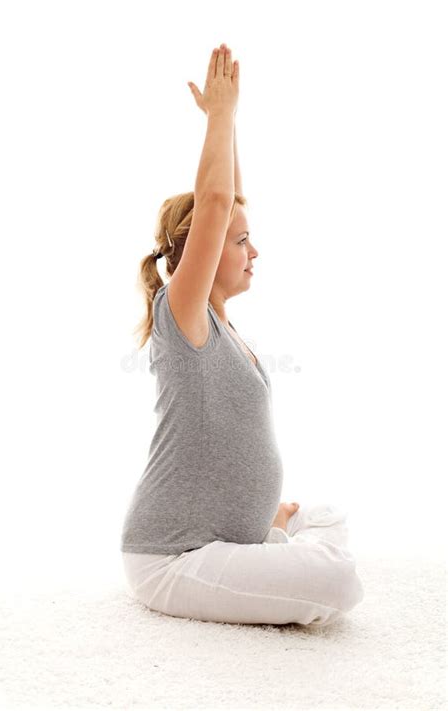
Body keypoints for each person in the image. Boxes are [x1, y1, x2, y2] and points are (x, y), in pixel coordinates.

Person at [120, 42, 364, 627]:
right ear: (196, 255)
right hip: (173, 557)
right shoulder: (181, 314)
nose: (253, 251)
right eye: (239, 243)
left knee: (326, 514)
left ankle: (269, 540)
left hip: (225, 542)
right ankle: (274, 550)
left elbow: (229, 202)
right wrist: (221, 117)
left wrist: (226, 130)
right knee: (339, 580)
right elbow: (216, 203)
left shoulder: (222, 328)